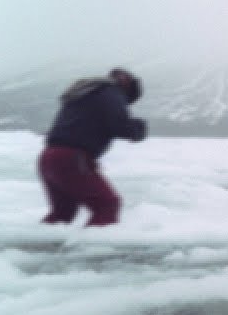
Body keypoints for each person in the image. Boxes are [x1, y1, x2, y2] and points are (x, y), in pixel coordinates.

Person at [38, 68, 147, 227]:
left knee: (63, 213)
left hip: (50, 157)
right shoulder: (110, 92)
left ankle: (40, 241)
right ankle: (94, 242)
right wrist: (139, 128)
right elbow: (121, 126)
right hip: (72, 157)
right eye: (126, 101)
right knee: (107, 204)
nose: (125, 105)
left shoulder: (86, 92)